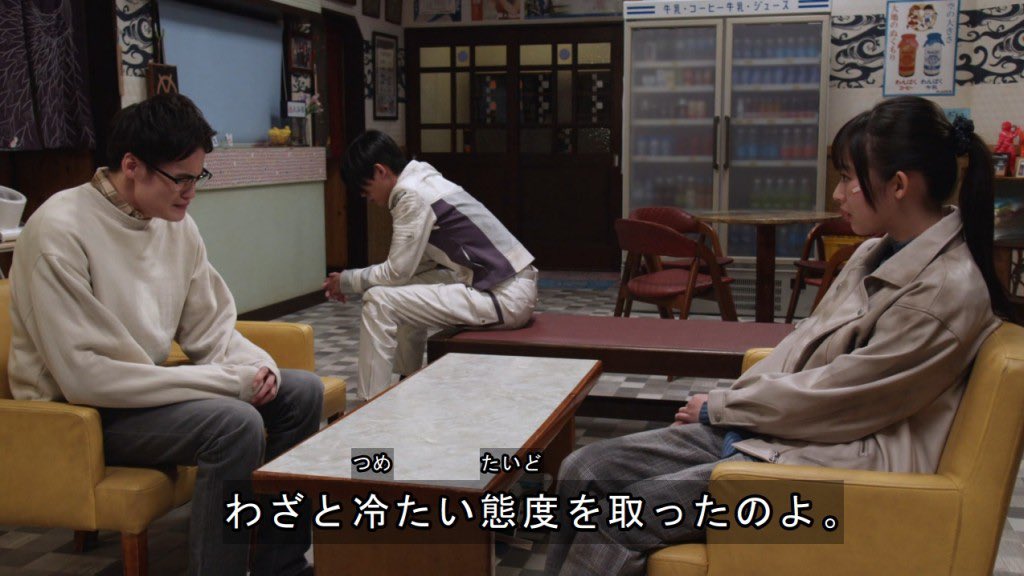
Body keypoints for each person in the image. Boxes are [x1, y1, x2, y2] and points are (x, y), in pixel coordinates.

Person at [545, 95, 1011, 576]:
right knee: (584, 470)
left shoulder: (942, 293)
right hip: (793, 433)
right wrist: (727, 406)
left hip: (842, 467)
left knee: (620, 518)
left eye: (847, 177)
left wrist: (720, 409)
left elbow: (845, 400)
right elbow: (800, 346)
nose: (837, 194)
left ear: (898, 185)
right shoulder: (874, 252)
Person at [7, 93, 321, 576]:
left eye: (198, 177)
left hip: (140, 394)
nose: (191, 192)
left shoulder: (175, 225)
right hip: (78, 413)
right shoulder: (59, 231)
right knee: (234, 424)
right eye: (181, 178)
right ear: (132, 166)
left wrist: (257, 365)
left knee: (301, 392)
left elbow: (211, 327)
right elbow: (88, 377)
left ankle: (281, 566)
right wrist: (228, 384)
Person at [323, 130, 538, 400]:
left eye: (366, 191)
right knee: (399, 291)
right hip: (510, 287)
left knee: (378, 300)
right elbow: (411, 270)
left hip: (504, 298)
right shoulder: (423, 180)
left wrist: (345, 281)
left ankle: (369, 404)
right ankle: (407, 380)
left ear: (380, 171)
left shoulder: (410, 195)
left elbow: (395, 271)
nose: (370, 201)